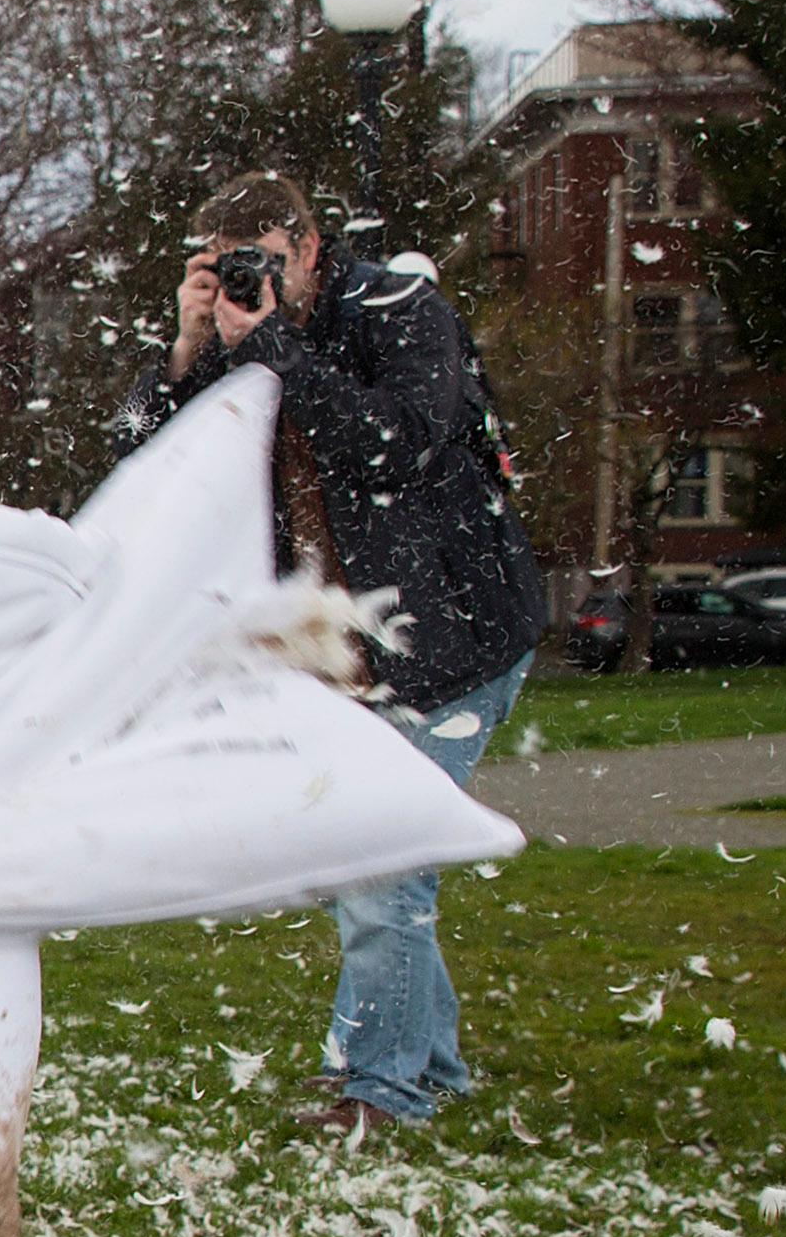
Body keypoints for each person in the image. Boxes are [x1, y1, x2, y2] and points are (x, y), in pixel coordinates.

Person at [114, 168, 544, 1141]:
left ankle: (377, 1089)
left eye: (261, 262)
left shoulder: (401, 308)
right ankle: (430, 1067)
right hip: (351, 649)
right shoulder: (239, 337)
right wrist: (187, 350)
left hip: (454, 636)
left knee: (379, 863)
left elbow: (398, 442)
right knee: (385, 859)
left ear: (308, 248)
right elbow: (154, 457)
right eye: (225, 268)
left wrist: (268, 343)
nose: (245, 281)